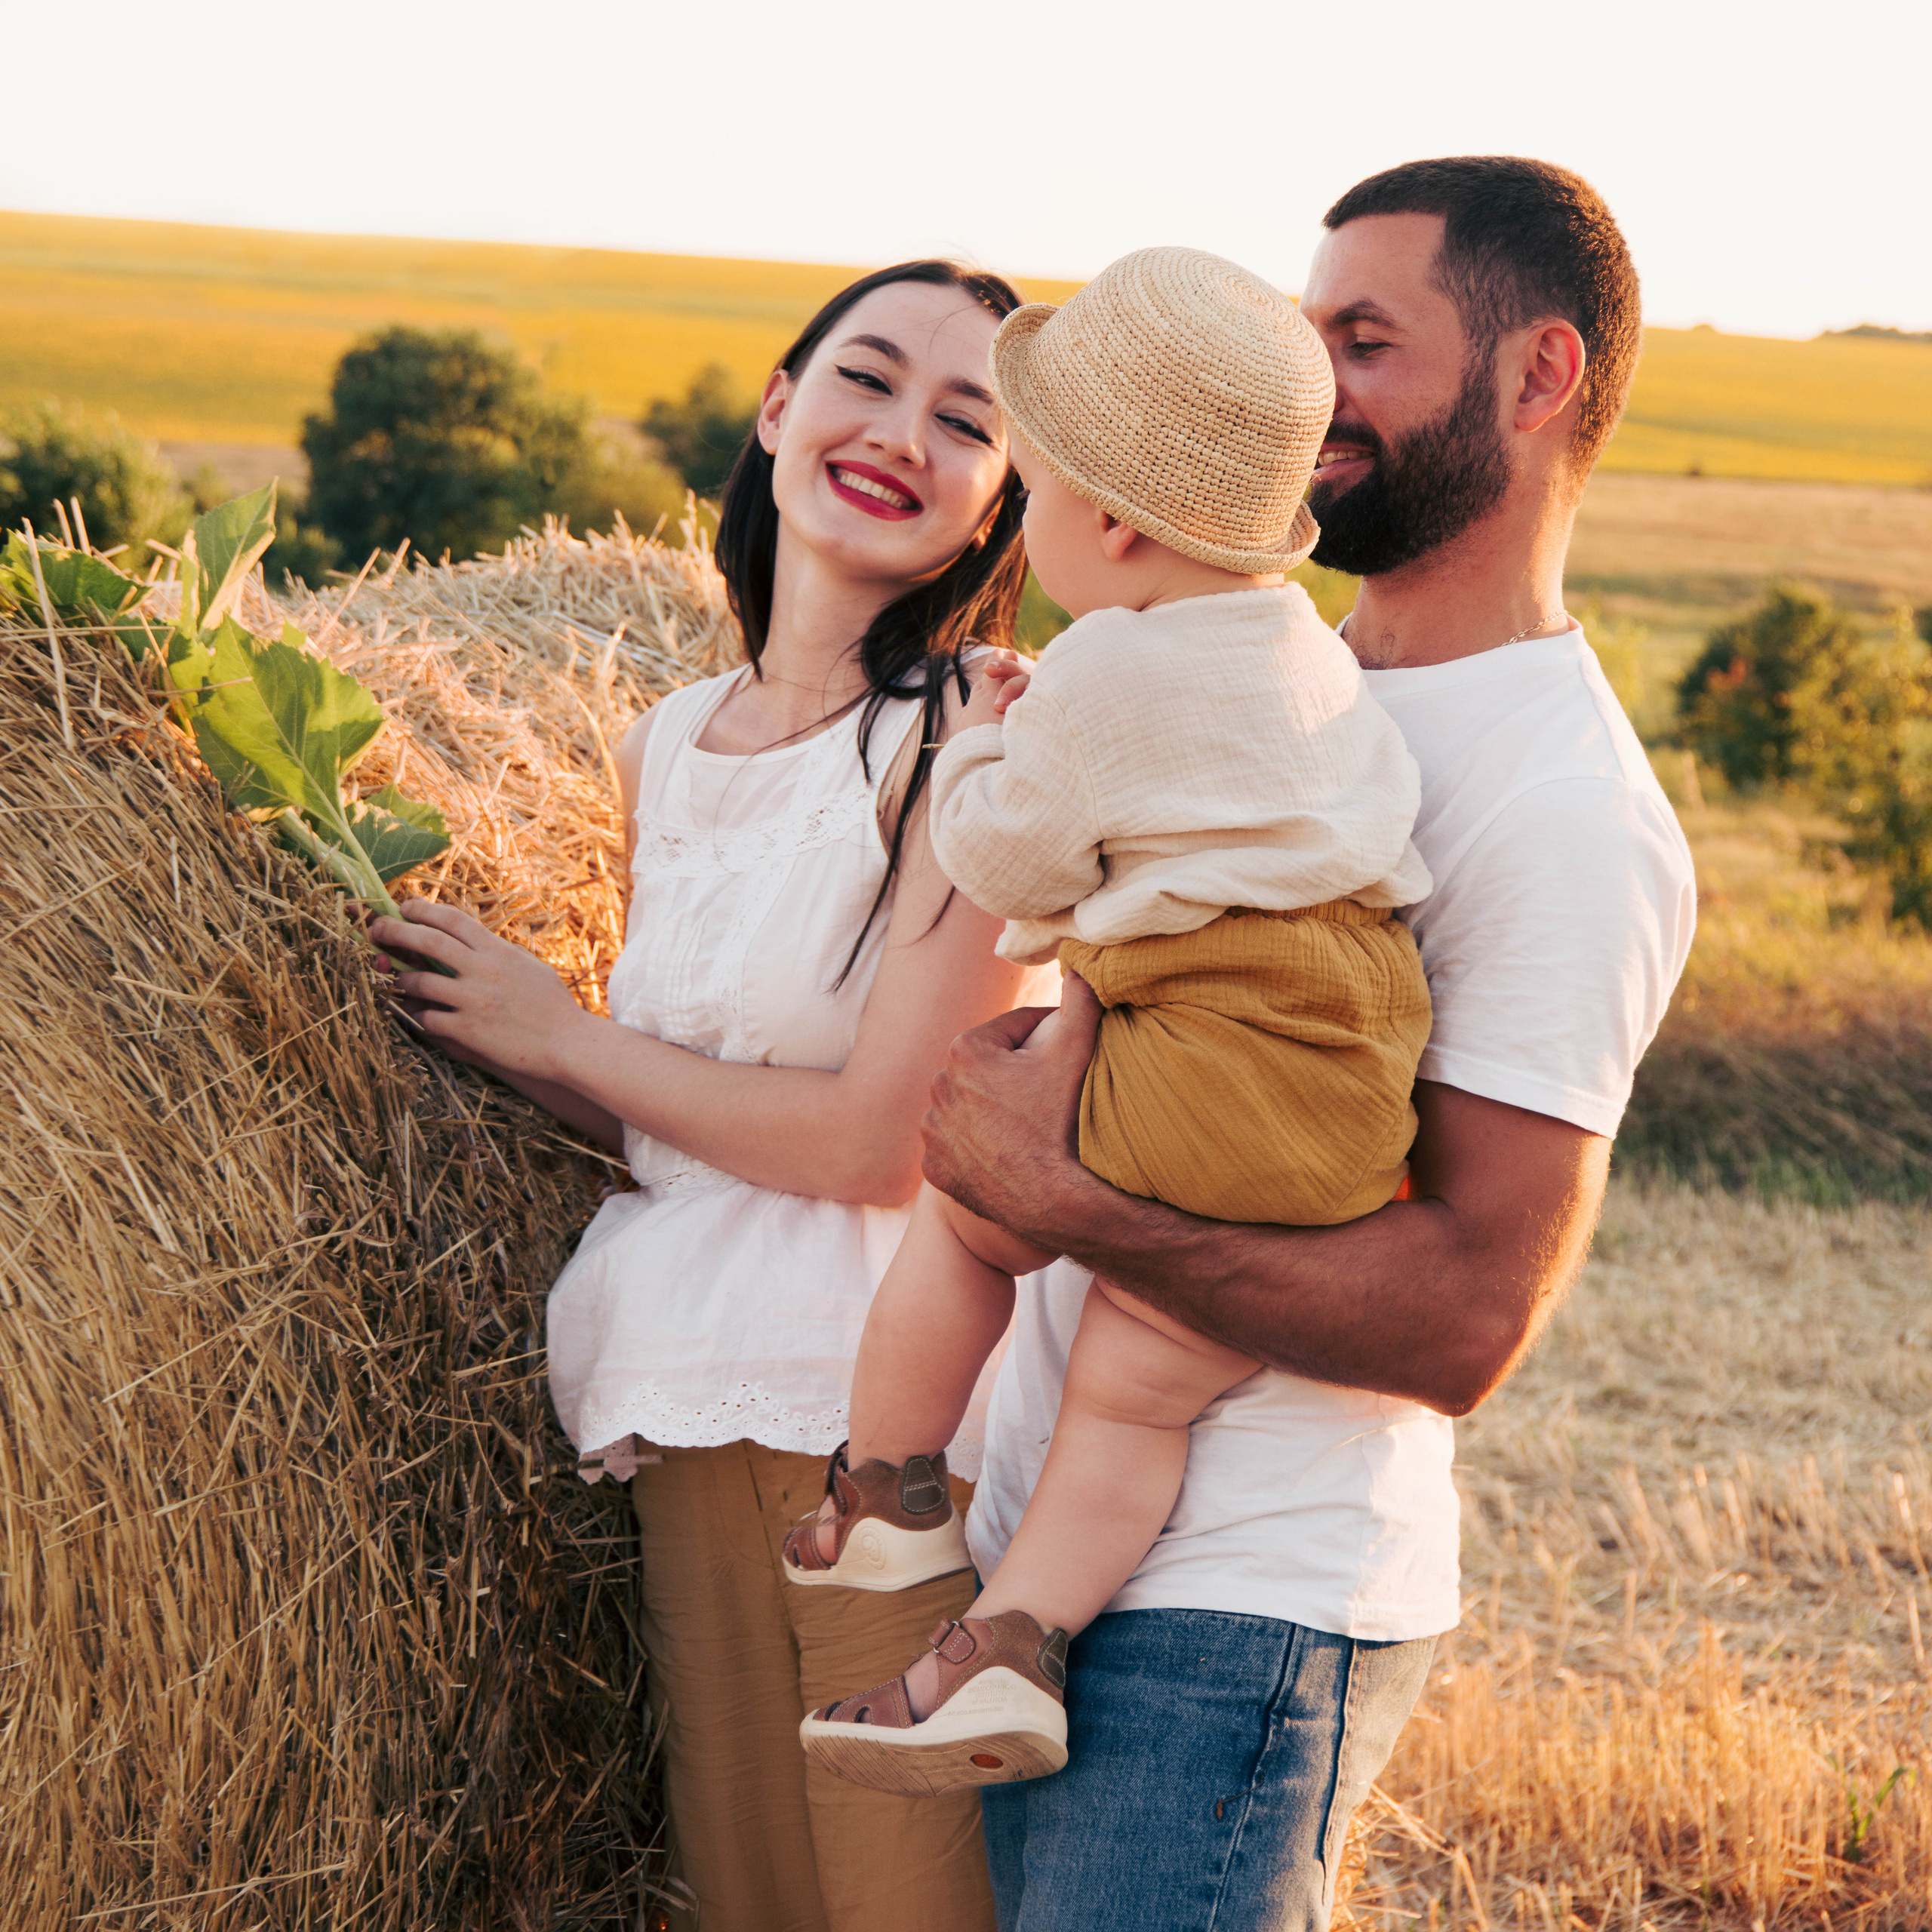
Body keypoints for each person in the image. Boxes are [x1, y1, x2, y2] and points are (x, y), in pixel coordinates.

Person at [914, 158, 1697, 1931]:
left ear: (1538, 375)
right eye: (1301, 333)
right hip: (1044, 1572)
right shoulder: (1258, 681)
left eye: (1363, 339)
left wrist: (1064, 1192)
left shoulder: (1564, 809)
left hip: (1238, 1620)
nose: (1307, 387)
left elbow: (1460, 1316)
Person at [370, 259, 1054, 1932]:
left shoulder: (972, 737)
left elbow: (886, 1140)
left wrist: (561, 1033)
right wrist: (481, 1037)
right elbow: (687, 1122)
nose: (900, 433)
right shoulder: (663, 741)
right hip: (679, 1397)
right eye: (867, 378)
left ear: (1000, 503)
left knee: (908, 1911)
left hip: (877, 1436)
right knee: (746, 1902)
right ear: (776, 404)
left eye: (964, 421)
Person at [783, 248, 1434, 1798]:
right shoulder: (1306, 656)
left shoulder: (1104, 670)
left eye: (1037, 483)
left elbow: (1009, 856)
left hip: (1198, 1052)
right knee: (1135, 1388)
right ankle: (1009, 1640)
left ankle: (887, 1488)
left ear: (1113, 524)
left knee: (968, 1219)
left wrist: (987, 744)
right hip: (1343, 1083)